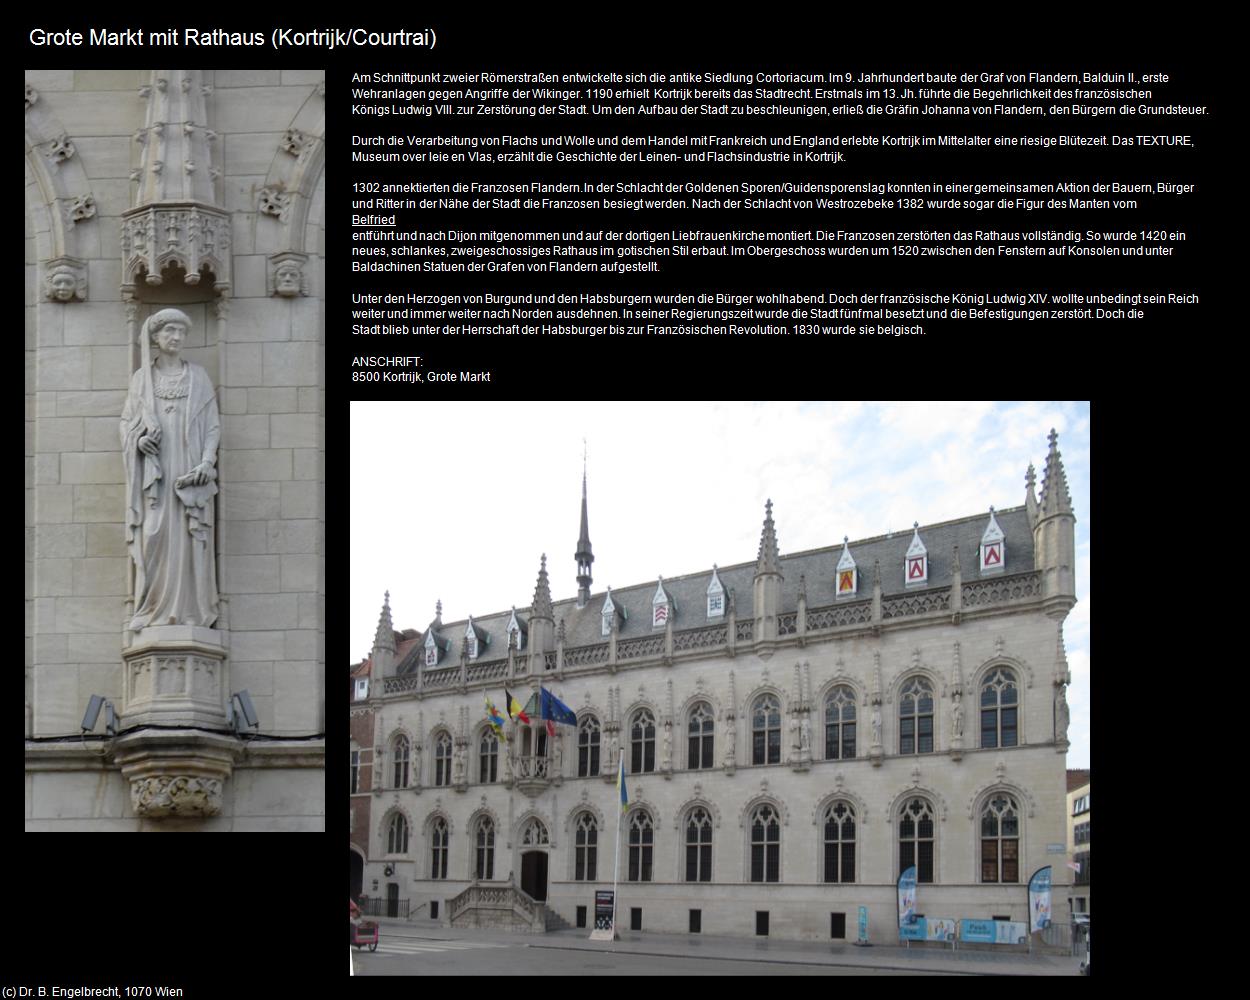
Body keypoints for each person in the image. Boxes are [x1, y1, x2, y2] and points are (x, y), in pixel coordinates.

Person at [120, 308, 220, 629]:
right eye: (169, 332)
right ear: (156, 337)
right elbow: (126, 423)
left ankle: (190, 611)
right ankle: (150, 609)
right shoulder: (141, 380)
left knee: (190, 540)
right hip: (156, 475)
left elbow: (212, 427)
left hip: (189, 471)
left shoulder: (198, 377)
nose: (175, 337)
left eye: (180, 332)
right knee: (153, 533)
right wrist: (138, 442)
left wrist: (206, 461)